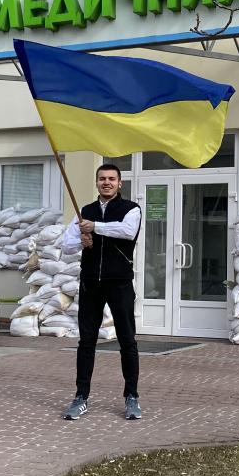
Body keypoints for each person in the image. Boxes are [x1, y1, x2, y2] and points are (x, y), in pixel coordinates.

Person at [59, 164, 143, 420]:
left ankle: (132, 397)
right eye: (102, 179)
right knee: (86, 342)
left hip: (120, 283)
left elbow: (127, 231)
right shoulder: (85, 211)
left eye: (111, 179)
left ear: (120, 183)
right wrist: (81, 240)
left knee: (127, 341)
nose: (107, 182)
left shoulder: (131, 209)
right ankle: (81, 397)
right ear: (96, 182)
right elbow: (66, 246)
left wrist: (94, 227)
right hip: (90, 283)